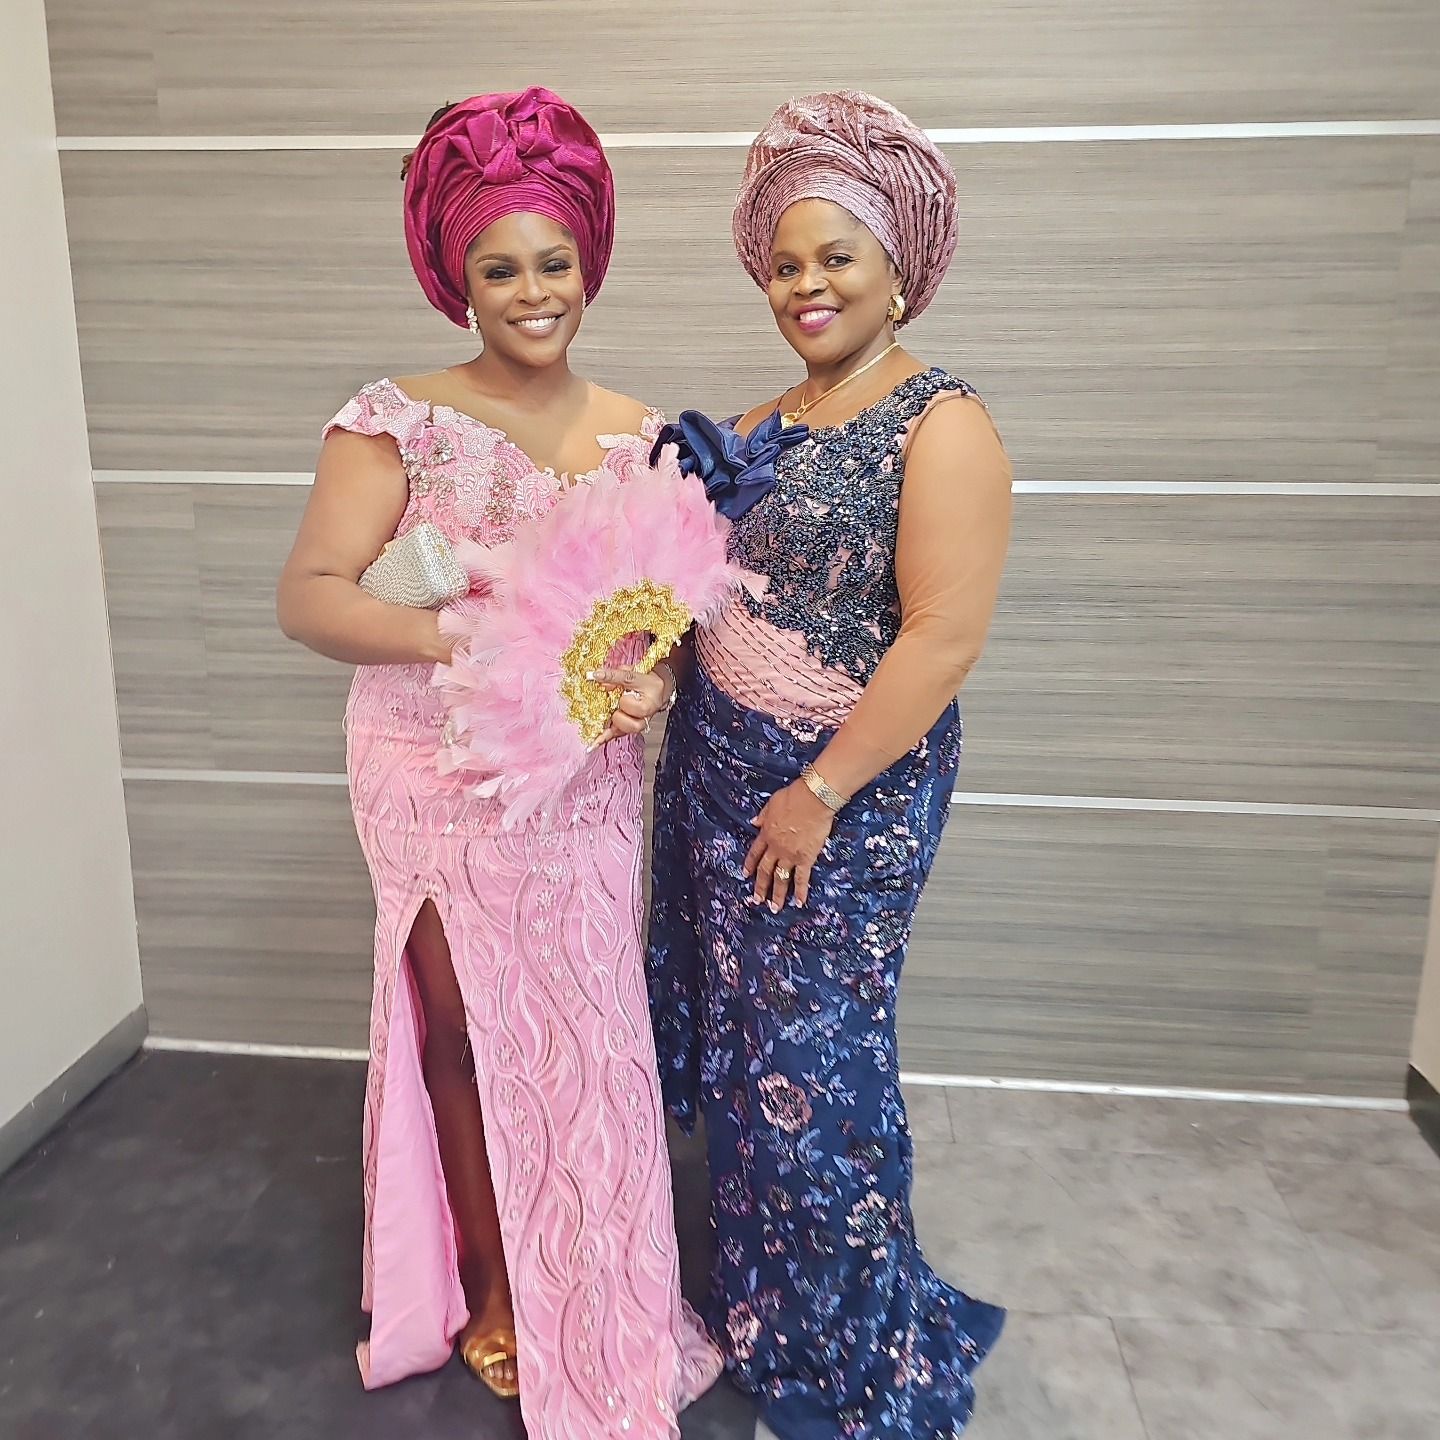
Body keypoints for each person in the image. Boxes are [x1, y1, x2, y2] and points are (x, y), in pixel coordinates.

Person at [276, 87, 720, 1439]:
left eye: (555, 263)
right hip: (431, 770)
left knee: (589, 1030)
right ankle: (493, 1285)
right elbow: (310, 598)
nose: (532, 293)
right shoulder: (391, 422)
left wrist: (649, 676)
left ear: (590, 264)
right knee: (462, 1032)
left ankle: (607, 1278)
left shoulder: (640, 430)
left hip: (581, 780)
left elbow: (665, 621)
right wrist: (464, 641)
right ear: (455, 277)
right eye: (498, 268)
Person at [646, 90, 1010, 1439]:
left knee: (820, 1074)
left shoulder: (944, 424)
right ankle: (762, 1312)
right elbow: (704, 596)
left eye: (835, 256)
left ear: (897, 266)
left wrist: (815, 792)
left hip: (837, 804)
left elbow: (941, 640)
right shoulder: (761, 421)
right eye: (787, 261)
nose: (806, 282)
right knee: (746, 1063)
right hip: (720, 788)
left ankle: (848, 1343)